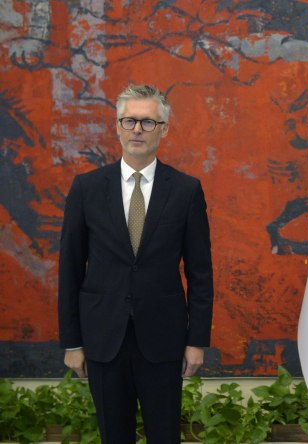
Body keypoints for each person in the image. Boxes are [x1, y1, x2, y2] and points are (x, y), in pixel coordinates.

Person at [58, 84, 214, 443]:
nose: (137, 130)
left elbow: (200, 273)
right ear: (117, 126)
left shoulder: (186, 190)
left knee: (165, 436)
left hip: (163, 339)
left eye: (148, 122)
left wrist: (196, 341)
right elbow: (69, 270)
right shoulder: (86, 188)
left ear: (164, 129)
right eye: (129, 121)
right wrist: (72, 343)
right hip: (102, 338)